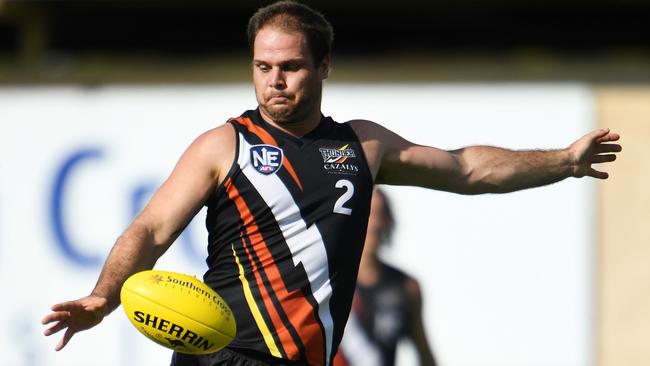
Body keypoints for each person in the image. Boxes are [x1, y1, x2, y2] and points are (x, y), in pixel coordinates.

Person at [41, 1, 621, 366]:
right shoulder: (225, 144)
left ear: (323, 67)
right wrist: (105, 293)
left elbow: (466, 169)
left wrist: (564, 161)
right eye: (263, 67)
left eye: (290, 67)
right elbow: (150, 228)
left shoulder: (363, 146)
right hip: (224, 353)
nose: (275, 82)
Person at [334, 188, 436, 366]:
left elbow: (424, 354)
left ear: (388, 221)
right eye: (368, 214)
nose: (374, 224)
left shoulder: (406, 286)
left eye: (380, 215)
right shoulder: (328, 281)